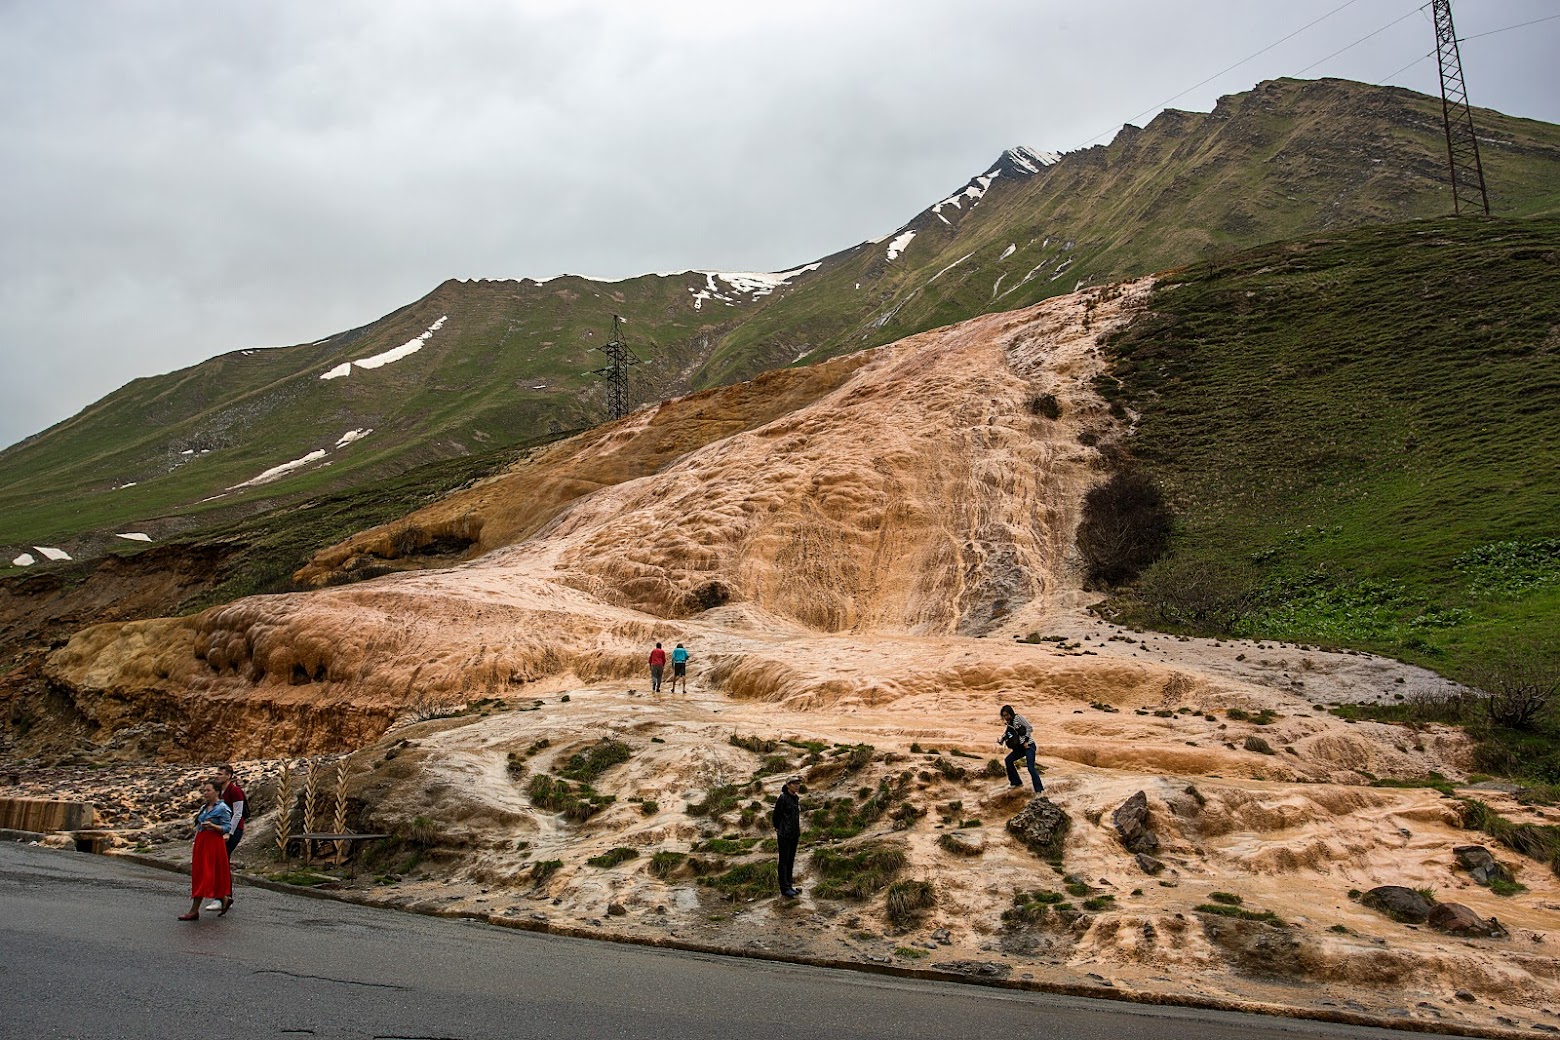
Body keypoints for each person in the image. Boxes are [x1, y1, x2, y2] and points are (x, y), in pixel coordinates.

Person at [180, 780, 234, 920]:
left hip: (213, 843)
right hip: (202, 841)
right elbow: (198, 825)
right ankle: (224, 899)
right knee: (201, 873)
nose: (205, 793)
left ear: (216, 791)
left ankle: (194, 910)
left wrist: (213, 826)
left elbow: (227, 827)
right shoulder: (204, 807)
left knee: (206, 874)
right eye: (204, 791)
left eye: (208, 790)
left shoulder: (222, 808)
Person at [997, 704, 1044, 793]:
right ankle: (1016, 782)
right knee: (1008, 760)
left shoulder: (1018, 718)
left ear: (1011, 713)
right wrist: (1001, 741)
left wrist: (1026, 741)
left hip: (1029, 746)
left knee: (1030, 768)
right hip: (1020, 748)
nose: (1006, 717)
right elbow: (1007, 733)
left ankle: (1039, 790)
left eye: (1007, 715)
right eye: (1004, 716)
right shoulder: (1009, 723)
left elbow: (1029, 728)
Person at [772, 777, 802, 898]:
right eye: (794, 784)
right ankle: (784, 889)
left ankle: (789, 885)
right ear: (788, 785)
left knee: (790, 860)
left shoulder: (795, 798)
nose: (797, 786)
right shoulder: (783, 798)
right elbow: (776, 815)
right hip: (784, 834)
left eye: (798, 783)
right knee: (784, 861)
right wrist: (777, 827)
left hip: (794, 834)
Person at [218, 764, 247, 857]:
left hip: (234, 828)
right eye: (217, 774)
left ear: (228, 776)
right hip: (221, 827)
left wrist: (229, 832)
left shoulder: (235, 791)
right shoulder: (219, 791)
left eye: (220, 774)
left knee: (224, 855)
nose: (217, 776)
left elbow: (238, 813)